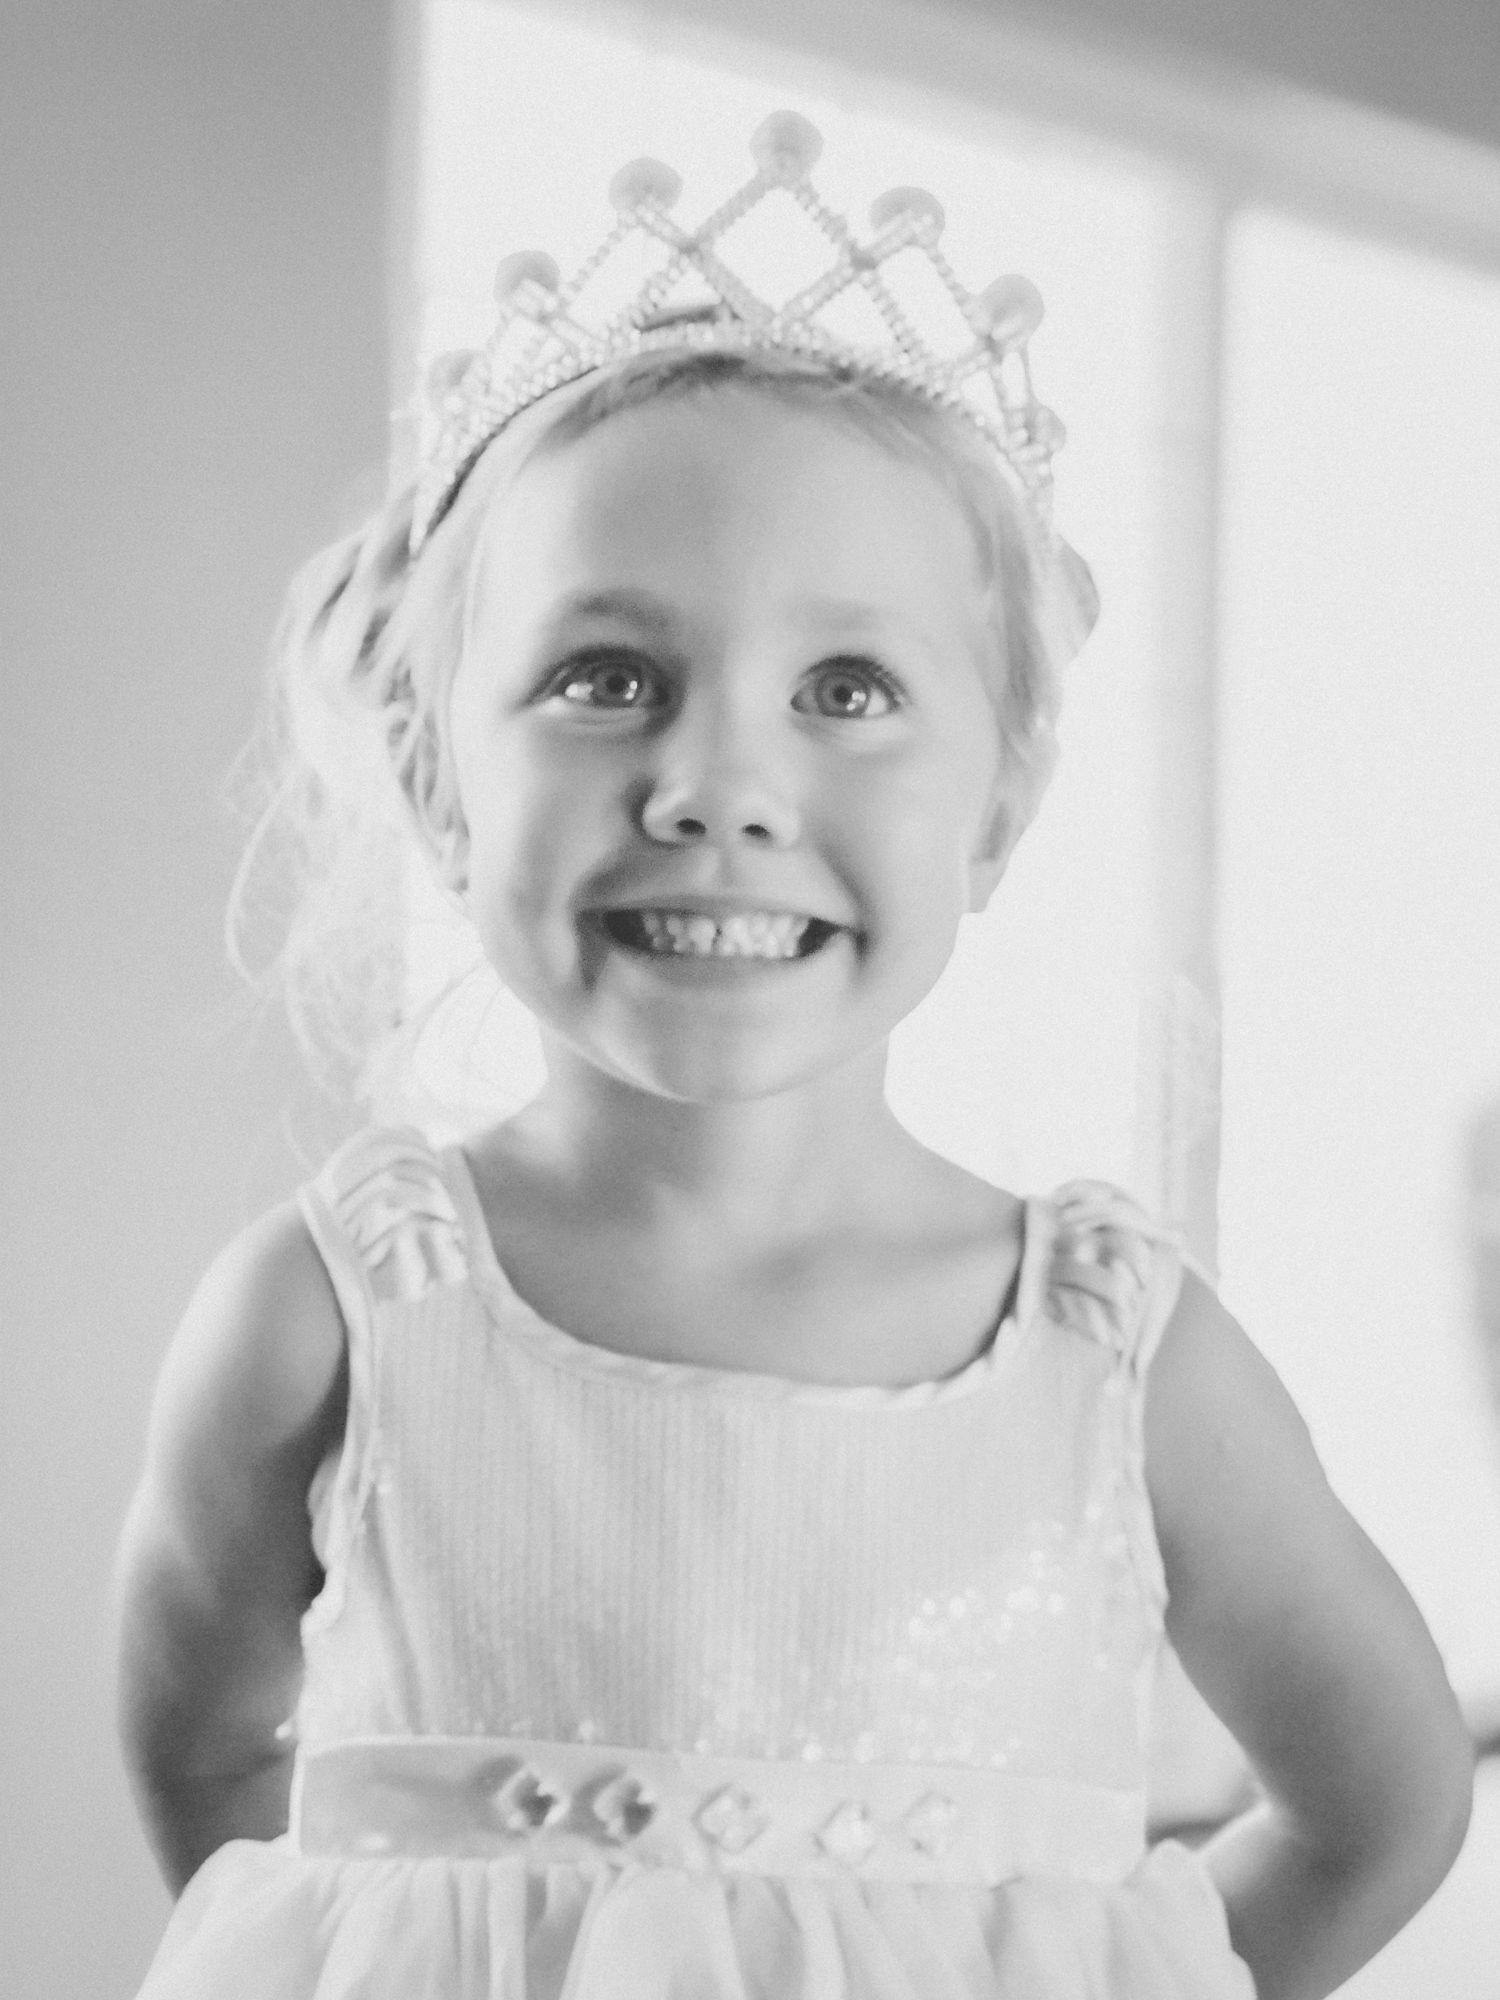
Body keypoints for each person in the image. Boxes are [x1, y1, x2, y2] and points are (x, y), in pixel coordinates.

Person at [115, 113, 1472, 2000]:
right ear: (437, 774)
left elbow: (1384, 1801)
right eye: (608, 678)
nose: (718, 789)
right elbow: (206, 1767)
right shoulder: (332, 1312)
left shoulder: (1119, 1355)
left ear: (997, 805)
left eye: (848, 692)